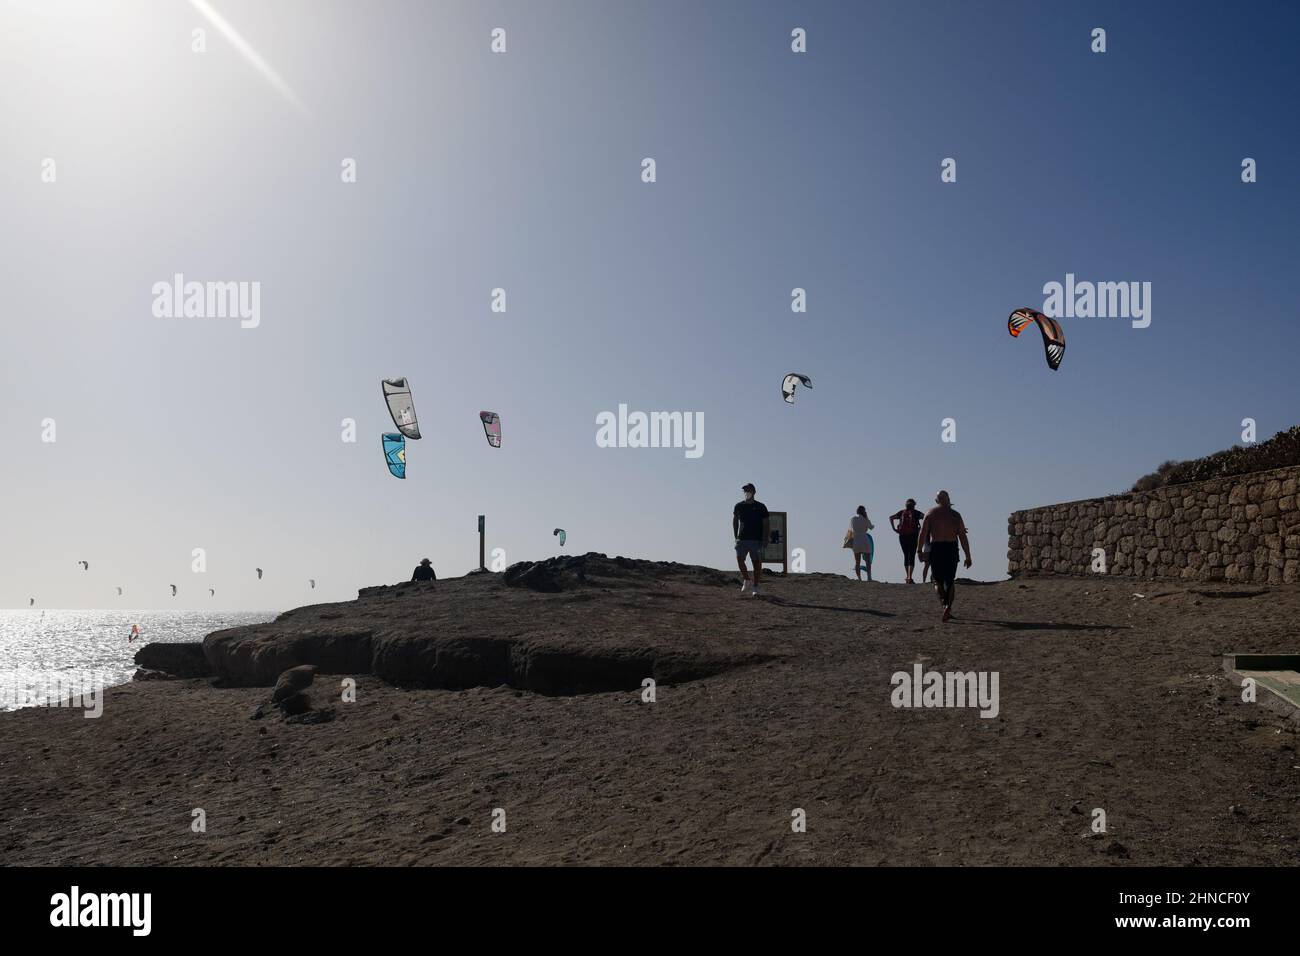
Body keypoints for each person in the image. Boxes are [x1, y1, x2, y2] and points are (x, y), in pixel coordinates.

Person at [917, 490, 971, 622]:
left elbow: (923, 533)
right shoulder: (955, 515)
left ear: (937, 501)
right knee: (950, 581)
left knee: (937, 581)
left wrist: (919, 550)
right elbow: (963, 537)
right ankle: (948, 606)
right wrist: (968, 556)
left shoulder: (930, 514)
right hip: (951, 548)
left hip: (937, 548)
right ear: (948, 499)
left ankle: (944, 604)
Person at [733, 482, 770, 597]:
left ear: (754, 492)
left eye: (748, 490)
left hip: (756, 539)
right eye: (745, 491)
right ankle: (746, 579)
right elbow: (735, 520)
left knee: (756, 563)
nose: (746, 492)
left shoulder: (761, 507)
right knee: (739, 559)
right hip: (742, 538)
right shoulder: (739, 506)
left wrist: (765, 539)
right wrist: (736, 536)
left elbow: (766, 523)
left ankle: (756, 586)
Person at [889, 498, 924, 584]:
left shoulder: (901, 512)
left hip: (902, 536)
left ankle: (907, 576)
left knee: (906, 555)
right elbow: (926, 517)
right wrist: (921, 529)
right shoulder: (916, 513)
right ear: (914, 505)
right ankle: (910, 577)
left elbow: (891, 517)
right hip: (913, 536)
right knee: (911, 555)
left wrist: (894, 529)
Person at [848, 506, 874, 581]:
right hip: (864, 540)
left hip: (856, 540)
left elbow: (851, 529)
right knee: (868, 560)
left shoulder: (853, 518)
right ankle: (869, 577)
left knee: (857, 561)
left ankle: (859, 578)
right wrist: (866, 517)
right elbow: (871, 527)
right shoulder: (865, 519)